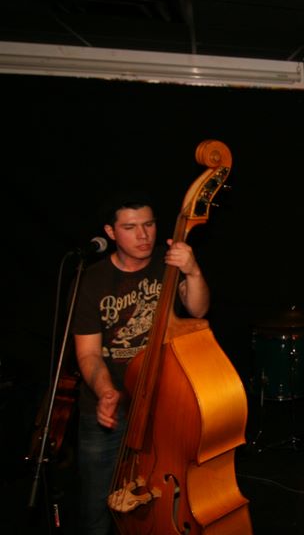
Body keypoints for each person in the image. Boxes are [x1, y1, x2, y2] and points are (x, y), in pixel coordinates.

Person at [73, 195, 210, 535]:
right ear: (110, 232)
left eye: (148, 224)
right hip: (108, 408)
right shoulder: (91, 279)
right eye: (130, 227)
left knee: (163, 494)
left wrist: (193, 271)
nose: (143, 235)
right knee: (96, 505)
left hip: (162, 403)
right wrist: (106, 392)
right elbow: (88, 354)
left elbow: (198, 310)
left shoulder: (168, 263)